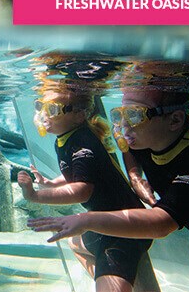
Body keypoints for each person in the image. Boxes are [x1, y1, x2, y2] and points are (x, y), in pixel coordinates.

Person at [28, 86, 189, 292]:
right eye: (120, 115)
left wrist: (85, 220)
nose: (124, 126)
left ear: (175, 119)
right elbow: (129, 151)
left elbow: (160, 223)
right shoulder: (150, 138)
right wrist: (135, 177)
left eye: (135, 115)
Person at [18, 85, 160, 292]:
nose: (43, 115)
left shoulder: (83, 142)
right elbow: (77, 174)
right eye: (40, 107)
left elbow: (82, 189)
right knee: (74, 244)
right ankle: (115, 277)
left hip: (123, 228)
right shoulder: (67, 138)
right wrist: (51, 183)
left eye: (53, 109)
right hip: (102, 223)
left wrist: (34, 195)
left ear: (79, 115)